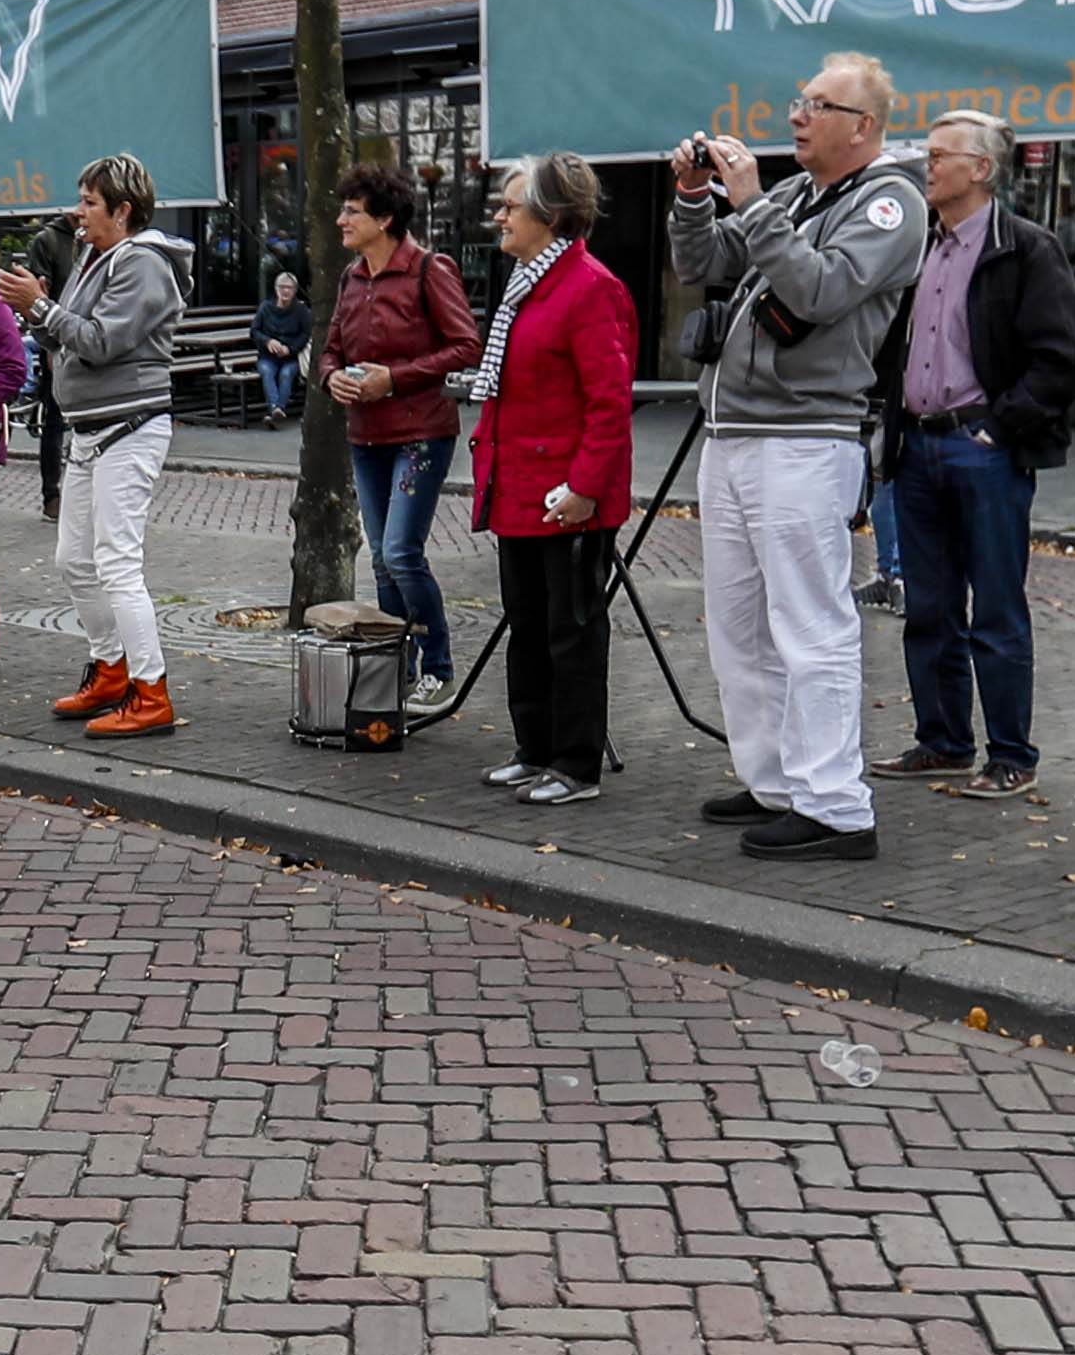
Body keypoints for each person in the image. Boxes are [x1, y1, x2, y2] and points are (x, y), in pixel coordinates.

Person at [673, 55, 931, 857]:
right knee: (739, 623)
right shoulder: (795, 194)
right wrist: (693, 199)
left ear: (865, 127)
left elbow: (820, 290)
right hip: (736, 434)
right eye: (800, 100)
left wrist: (751, 204)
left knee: (810, 623)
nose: (799, 115)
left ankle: (836, 806)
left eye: (821, 105)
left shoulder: (892, 203)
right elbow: (704, 264)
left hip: (806, 438)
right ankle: (776, 779)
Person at [871, 111, 1075, 799]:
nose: (926, 166)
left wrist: (1000, 427)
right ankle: (942, 743)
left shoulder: (1025, 247)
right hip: (918, 447)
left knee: (996, 608)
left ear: (983, 169)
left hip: (980, 449)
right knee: (928, 607)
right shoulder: (917, 248)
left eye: (940, 155)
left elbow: (1065, 358)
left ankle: (1011, 756)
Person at [0, 153, 191, 736]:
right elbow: (67, 337)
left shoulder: (143, 264)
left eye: (88, 203)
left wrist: (39, 305)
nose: (76, 213)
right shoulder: (95, 257)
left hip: (129, 426)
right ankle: (111, 668)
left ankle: (151, 692)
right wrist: (36, 310)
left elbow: (102, 342)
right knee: (74, 560)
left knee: (117, 564)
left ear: (123, 210)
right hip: (91, 429)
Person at [469, 154, 641, 807]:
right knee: (528, 624)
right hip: (521, 488)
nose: (500, 216)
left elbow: (609, 401)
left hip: (565, 497)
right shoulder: (528, 283)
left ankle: (575, 762)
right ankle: (534, 748)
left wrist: (586, 487)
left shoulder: (589, 287)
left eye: (511, 205)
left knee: (570, 631)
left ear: (552, 214)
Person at [316, 166, 475, 715]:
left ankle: (438, 667)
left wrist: (395, 377)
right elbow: (332, 346)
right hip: (367, 435)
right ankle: (394, 666)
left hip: (421, 434)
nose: (341, 219)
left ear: (384, 219)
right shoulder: (352, 278)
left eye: (352, 211)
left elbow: (464, 346)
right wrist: (330, 375)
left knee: (401, 553)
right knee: (381, 561)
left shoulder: (430, 270)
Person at [251, 265, 313, 426]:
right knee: (266, 371)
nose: (285, 291)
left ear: (295, 290)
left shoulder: (301, 310)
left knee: (286, 373)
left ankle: (278, 409)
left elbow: (306, 334)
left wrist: (290, 349)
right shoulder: (266, 308)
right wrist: (268, 341)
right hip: (268, 355)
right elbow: (254, 331)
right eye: (282, 287)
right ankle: (275, 409)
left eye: (289, 288)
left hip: (290, 356)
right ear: (276, 288)